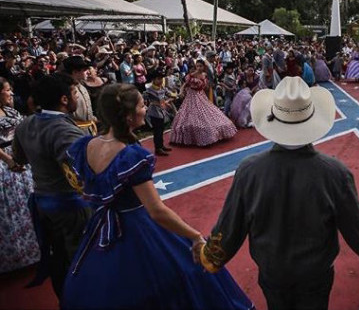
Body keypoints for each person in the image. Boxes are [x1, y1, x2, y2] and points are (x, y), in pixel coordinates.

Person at [195, 77, 359, 310]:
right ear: (312, 120)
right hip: (316, 275)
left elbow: (230, 227)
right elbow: (357, 227)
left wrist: (209, 255)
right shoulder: (334, 173)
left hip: (272, 274)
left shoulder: (249, 171)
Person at [61, 84, 253, 310]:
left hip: (102, 227)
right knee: (183, 275)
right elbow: (157, 210)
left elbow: (84, 189)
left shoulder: (87, 146)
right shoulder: (130, 156)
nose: (145, 109)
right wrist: (195, 235)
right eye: (142, 105)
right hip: (139, 230)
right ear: (128, 115)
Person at [12, 74, 92, 300]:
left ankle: (65, 298)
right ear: (64, 100)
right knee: (82, 256)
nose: (77, 96)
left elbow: (20, 158)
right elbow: (82, 167)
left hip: (42, 202)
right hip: (70, 207)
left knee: (57, 257)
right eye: (75, 93)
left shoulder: (25, 124)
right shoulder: (64, 130)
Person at [0, 77, 40, 273]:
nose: (11, 94)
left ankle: (37, 247)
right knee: (11, 211)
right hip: (5, 165)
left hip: (21, 158)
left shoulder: (9, 109)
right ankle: (19, 255)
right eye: (8, 90)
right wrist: (9, 160)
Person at [170, 62, 237, 147]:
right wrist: (181, 91)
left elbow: (205, 87)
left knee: (206, 113)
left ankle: (211, 133)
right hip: (191, 96)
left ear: (203, 67)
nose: (198, 67)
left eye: (200, 66)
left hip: (201, 95)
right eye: (197, 66)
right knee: (190, 114)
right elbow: (185, 84)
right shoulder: (191, 75)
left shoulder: (204, 75)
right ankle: (192, 134)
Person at [144, 69, 175, 156]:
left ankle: (161, 146)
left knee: (161, 130)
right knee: (157, 131)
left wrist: (175, 94)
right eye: (158, 79)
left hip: (162, 111)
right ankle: (158, 148)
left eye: (161, 79)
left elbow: (169, 94)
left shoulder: (162, 87)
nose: (160, 80)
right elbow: (145, 98)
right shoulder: (149, 90)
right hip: (154, 112)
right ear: (153, 80)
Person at [63, 56, 96, 136]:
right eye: (84, 70)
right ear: (74, 72)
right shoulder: (66, 89)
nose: (88, 72)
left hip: (89, 130)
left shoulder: (82, 87)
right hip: (75, 131)